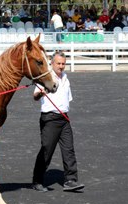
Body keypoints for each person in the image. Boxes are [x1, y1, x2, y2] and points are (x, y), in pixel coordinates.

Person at [32, 51, 85, 193]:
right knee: (46, 150)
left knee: (69, 150)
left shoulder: (66, 78)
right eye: (58, 63)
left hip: (64, 118)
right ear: (52, 63)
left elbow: (67, 99)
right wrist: (41, 93)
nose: (61, 66)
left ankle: (70, 180)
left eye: (63, 64)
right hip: (50, 118)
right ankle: (37, 180)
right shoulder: (45, 77)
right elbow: (35, 96)